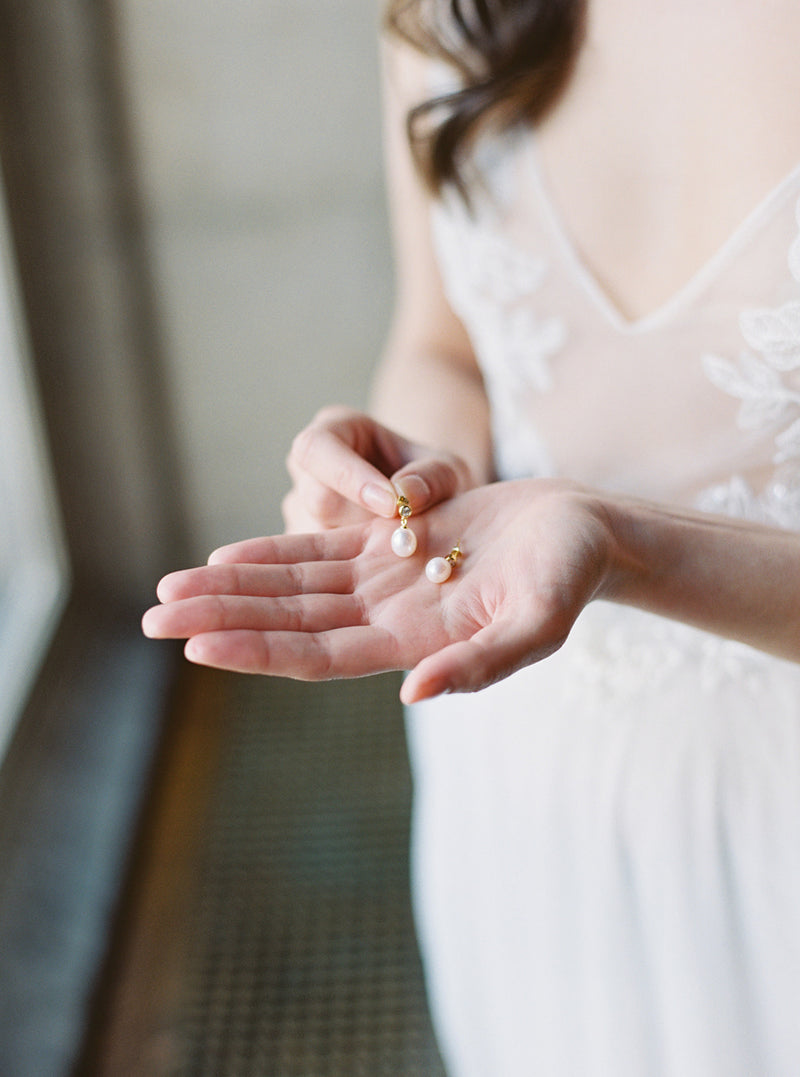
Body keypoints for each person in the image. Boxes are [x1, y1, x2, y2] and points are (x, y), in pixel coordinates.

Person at [143, 1, 800, 1072]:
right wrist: (408, 478)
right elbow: (441, 344)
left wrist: (629, 546)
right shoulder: (444, 11)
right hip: (517, 758)